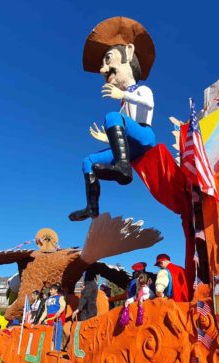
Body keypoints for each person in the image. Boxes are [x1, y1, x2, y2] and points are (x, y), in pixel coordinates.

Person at [69, 17, 157, 221]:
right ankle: (92, 208)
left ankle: (123, 168)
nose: (102, 70)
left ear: (129, 53)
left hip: (145, 137)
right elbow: (122, 131)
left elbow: (149, 104)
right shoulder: (122, 107)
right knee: (88, 161)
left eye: (107, 60)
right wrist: (107, 137)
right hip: (129, 147)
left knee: (112, 116)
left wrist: (123, 95)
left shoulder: (142, 89)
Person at [39, 284, 66, 350]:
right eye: (50, 290)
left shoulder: (60, 297)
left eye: (51, 290)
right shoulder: (47, 300)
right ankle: (53, 349)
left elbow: (63, 306)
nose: (50, 291)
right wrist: (41, 319)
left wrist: (59, 312)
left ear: (56, 290)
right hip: (49, 319)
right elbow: (46, 311)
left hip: (57, 319)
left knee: (57, 335)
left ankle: (57, 350)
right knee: (52, 335)